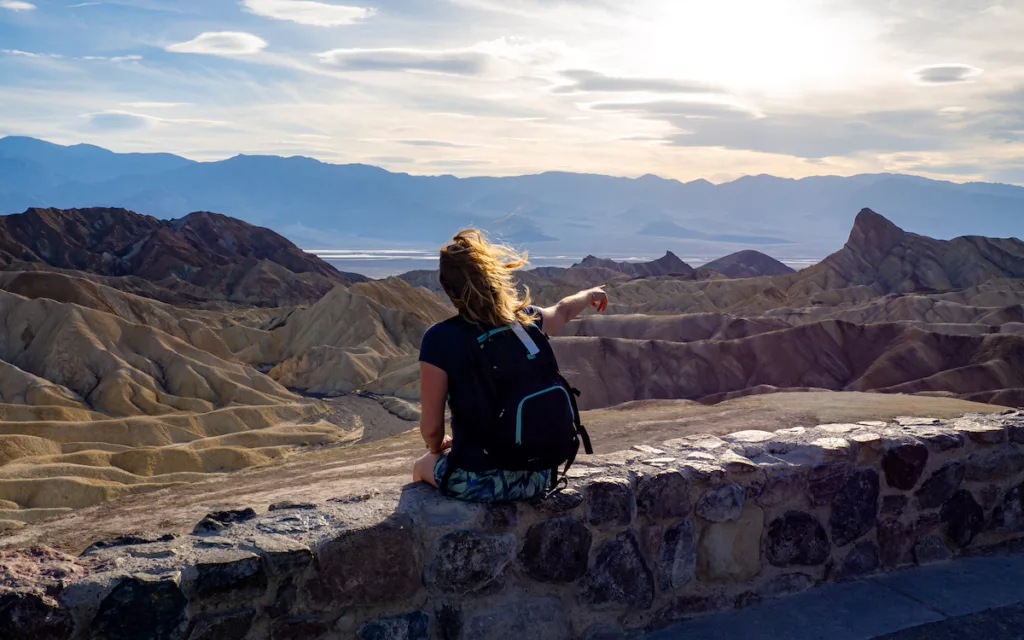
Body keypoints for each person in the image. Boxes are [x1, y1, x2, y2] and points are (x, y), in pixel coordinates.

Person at [413, 229, 608, 502]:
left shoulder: (440, 339)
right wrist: (589, 294)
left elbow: (432, 429)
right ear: (494, 278)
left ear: (449, 289)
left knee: (422, 466)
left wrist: (437, 447)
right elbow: (563, 310)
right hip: (540, 474)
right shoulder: (525, 320)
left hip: (479, 480)